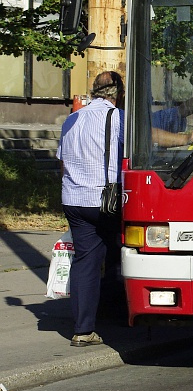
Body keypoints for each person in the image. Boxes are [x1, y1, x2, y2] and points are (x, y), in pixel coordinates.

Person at [57, 70, 126, 347]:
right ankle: (119, 313)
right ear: (118, 93)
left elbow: (61, 162)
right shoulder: (118, 118)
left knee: (86, 260)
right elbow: (153, 137)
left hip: (73, 199)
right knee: (120, 251)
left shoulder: (71, 119)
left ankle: (83, 330)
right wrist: (183, 139)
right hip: (104, 200)